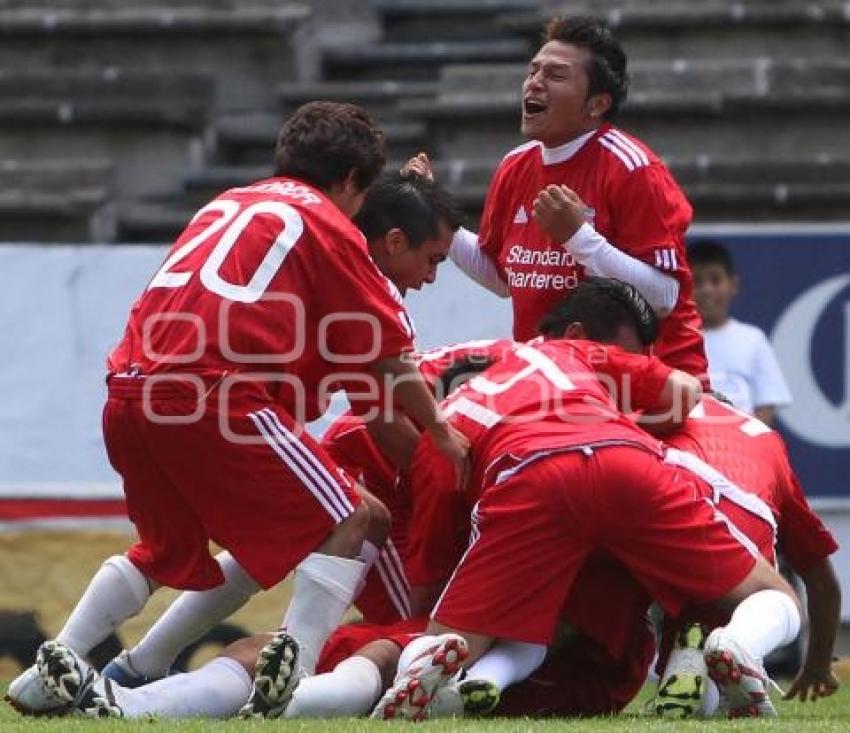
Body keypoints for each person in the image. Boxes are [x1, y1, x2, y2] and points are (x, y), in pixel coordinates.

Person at [12, 103, 470, 717]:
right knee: (355, 518)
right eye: (433, 260)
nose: (432, 277)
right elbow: (386, 380)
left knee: (165, 548)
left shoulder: (230, 202)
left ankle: (66, 672)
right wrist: (444, 447)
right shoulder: (336, 238)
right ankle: (294, 684)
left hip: (129, 388)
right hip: (217, 398)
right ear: (351, 185)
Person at [374, 332, 803, 720]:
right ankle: (739, 645)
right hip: (630, 461)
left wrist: (435, 617)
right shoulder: (560, 350)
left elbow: (429, 572)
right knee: (775, 595)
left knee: (471, 636)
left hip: (532, 479)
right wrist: (625, 428)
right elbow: (684, 389)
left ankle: (429, 672)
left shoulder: (443, 428)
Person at [406, 15, 707, 381]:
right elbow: (504, 280)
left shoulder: (633, 168)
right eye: (533, 71)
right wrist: (434, 213)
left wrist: (578, 238)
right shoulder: (515, 165)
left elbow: (664, 296)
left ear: (596, 104)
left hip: (651, 388)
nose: (534, 83)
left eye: (556, 75)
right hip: (553, 383)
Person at [688, 240, 792, 424]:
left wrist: (745, 443)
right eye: (697, 282)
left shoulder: (752, 339)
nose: (707, 290)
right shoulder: (677, 340)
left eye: (715, 280)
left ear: (733, 284)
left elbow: (766, 405)